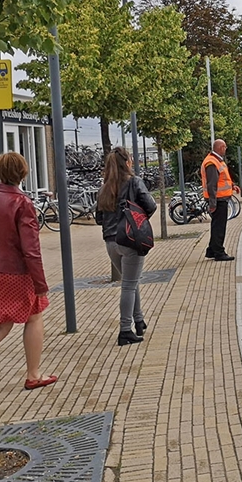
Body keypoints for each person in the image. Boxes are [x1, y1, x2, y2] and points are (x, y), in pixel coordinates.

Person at [0, 152, 56, 398]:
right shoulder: (22, 203)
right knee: (34, 317)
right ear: (23, 173)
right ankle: (34, 375)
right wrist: (40, 283)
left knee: (1, 324)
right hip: (16, 273)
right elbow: (31, 249)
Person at [95, 147, 158, 346]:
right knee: (129, 285)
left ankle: (139, 320)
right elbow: (151, 205)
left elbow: (98, 218)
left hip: (110, 242)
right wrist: (138, 219)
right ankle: (125, 330)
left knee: (131, 282)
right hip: (130, 239)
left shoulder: (104, 188)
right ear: (127, 162)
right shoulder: (134, 182)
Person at [201, 139, 241, 261]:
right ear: (220, 147)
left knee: (216, 225)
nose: (226, 148)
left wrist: (232, 185)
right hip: (218, 200)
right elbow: (212, 185)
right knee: (219, 226)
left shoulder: (217, 160)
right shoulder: (211, 162)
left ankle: (212, 250)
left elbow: (222, 179)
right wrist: (212, 203)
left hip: (220, 198)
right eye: (224, 147)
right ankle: (219, 252)